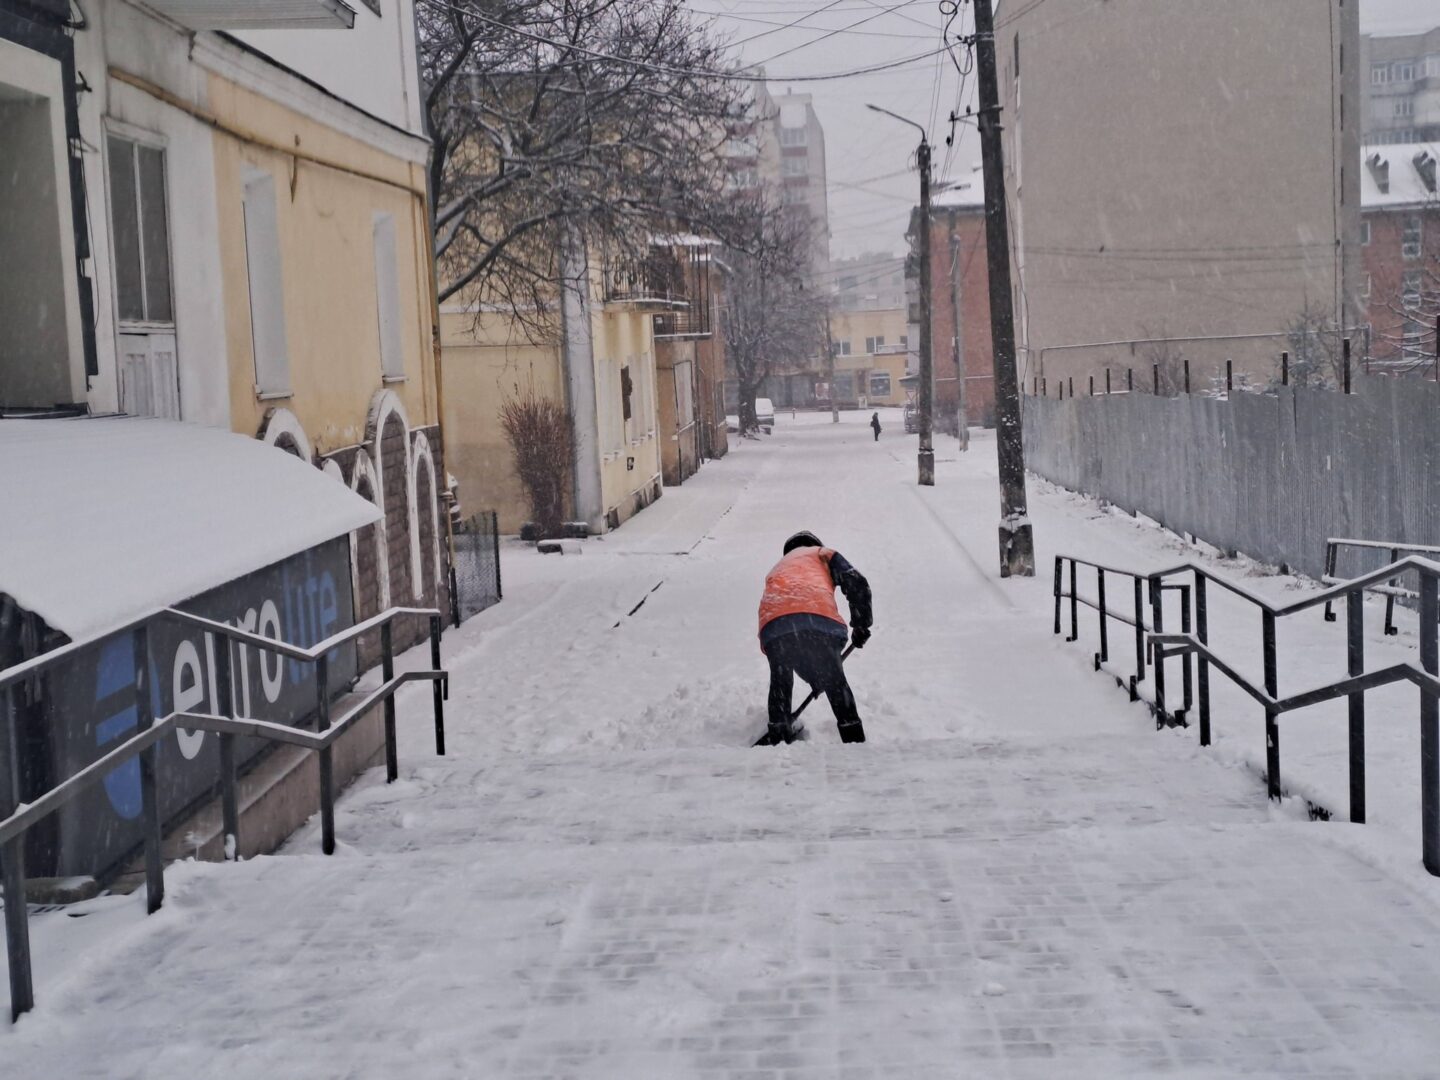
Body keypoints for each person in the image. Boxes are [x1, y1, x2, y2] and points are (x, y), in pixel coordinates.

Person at [757, 531, 872, 745]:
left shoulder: (777, 568)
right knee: (835, 680)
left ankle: (778, 730)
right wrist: (861, 624)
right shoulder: (822, 553)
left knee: (781, 677)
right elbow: (856, 582)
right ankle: (853, 736)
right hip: (817, 618)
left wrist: (816, 678)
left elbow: (797, 646)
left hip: (776, 625)